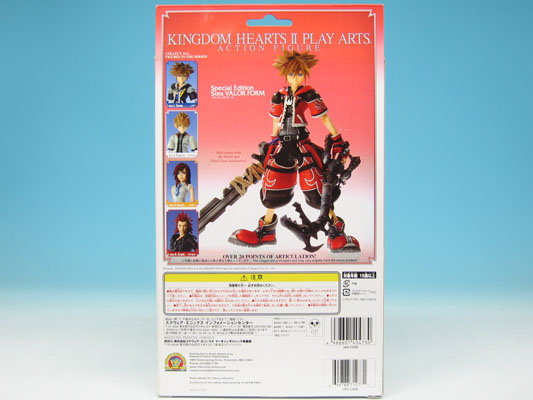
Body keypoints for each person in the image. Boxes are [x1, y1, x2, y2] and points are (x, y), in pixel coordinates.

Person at [228, 51, 360, 253]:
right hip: (282, 143)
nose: (296, 78)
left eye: (299, 74)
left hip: (302, 143)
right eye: (291, 74)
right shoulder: (279, 96)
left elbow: (324, 118)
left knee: (317, 188)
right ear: (285, 75)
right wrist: (271, 144)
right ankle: (267, 230)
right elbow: (275, 121)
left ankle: (336, 230)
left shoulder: (308, 94)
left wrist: (337, 138)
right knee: (273, 184)